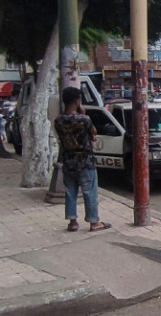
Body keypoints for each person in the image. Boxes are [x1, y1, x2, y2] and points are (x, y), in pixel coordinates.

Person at [54, 87, 111, 233]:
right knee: (89, 191)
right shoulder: (84, 119)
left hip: (68, 161)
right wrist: (83, 114)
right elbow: (93, 133)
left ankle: (72, 222)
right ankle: (94, 222)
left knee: (70, 191)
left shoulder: (58, 120)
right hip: (85, 161)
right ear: (76, 101)